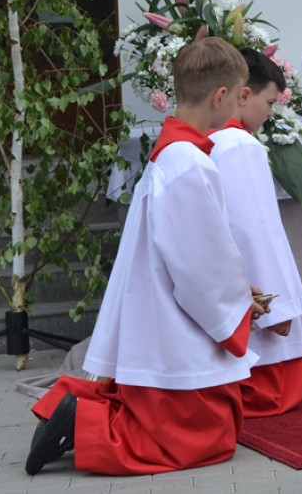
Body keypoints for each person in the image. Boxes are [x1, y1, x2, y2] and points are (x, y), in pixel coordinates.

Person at [25, 37, 268, 475]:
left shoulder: (172, 152)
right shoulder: (190, 164)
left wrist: (233, 290)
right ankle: (84, 423)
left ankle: (74, 412)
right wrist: (237, 300)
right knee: (208, 437)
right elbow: (201, 267)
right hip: (173, 318)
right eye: (235, 97)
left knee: (212, 424)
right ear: (219, 97)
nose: (236, 105)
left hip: (157, 302)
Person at [210, 47, 302, 417]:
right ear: (244, 95)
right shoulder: (240, 146)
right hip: (252, 295)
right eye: (270, 102)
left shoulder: (207, 140)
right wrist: (276, 309)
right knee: (273, 391)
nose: (271, 113)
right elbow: (254, 233)